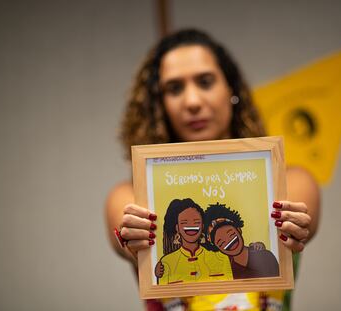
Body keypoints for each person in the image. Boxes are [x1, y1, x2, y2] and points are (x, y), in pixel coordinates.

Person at [105, 28, 320, 311]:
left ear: (231, 90)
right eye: (174, 88)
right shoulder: (130, 196)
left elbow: (304, 220)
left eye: (205, 82)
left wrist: (294, 226)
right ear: (159, 105)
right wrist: (137, 240)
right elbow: (125, 231)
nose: (192, 102)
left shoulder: (292, 182)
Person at [156, 198, 233, 285]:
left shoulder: (221, 257)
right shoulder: (166, 263)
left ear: (202, 226)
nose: (191, 226)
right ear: (177, 228)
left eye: (196, 222)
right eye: (184, 223)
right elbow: (165, 295)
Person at [203, 202, 279, 279]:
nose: (228, 241)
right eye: (221, 242)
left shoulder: (265, 257)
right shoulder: (225, 267)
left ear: (238, 229)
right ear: (217, 248)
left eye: (230, 234)